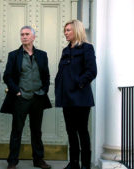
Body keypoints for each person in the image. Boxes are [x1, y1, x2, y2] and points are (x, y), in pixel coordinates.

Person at [0, 26, 52, 169]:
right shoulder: (14, 55)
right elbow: (7, 76)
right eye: (22, 34)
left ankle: (39, 160)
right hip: (20, 98)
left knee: (36, 131)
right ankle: (12, 161)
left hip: (38, 98)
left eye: (27, 34)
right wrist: (16, 91)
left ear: (33, 37)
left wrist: (44, 90)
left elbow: (46, 76)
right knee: (16, 130)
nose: (24, 36)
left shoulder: (42, 55)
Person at [55, 20, 97, 169]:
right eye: (65, 30)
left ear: (77, 31)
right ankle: (73, 164)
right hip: (66, 97)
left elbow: (92, 71)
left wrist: (78, 83)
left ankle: (85, 164)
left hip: (81, 98)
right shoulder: (66, 50)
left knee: (82, 131)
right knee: (70, 131)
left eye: (68, 30)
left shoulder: (87, 48)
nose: (65, 33)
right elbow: (62, 72)